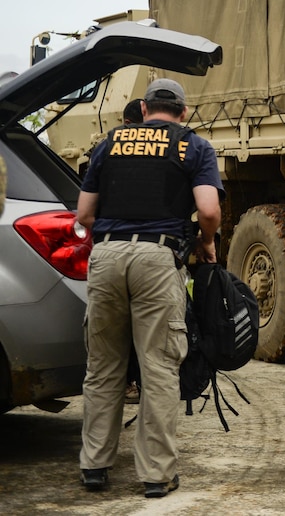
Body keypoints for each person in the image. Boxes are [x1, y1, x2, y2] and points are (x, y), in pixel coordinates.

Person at [77, 79, 222, 498]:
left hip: (105, 257)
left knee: (103, 367)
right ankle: (156, 475)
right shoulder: (193, 146)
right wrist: (205, 241)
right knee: (158, 369)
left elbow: (85, 213)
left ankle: (94, 467)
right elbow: (209, 210)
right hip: (158, 259)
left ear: (143, 108)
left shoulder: (109, 143)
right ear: (184, 111)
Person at [122, 97, 145, 406]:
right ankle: (138, 382)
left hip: (113, 250)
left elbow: (85, 212)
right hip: (154, 253)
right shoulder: (174, 149)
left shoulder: (105, 150)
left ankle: (128, 383)